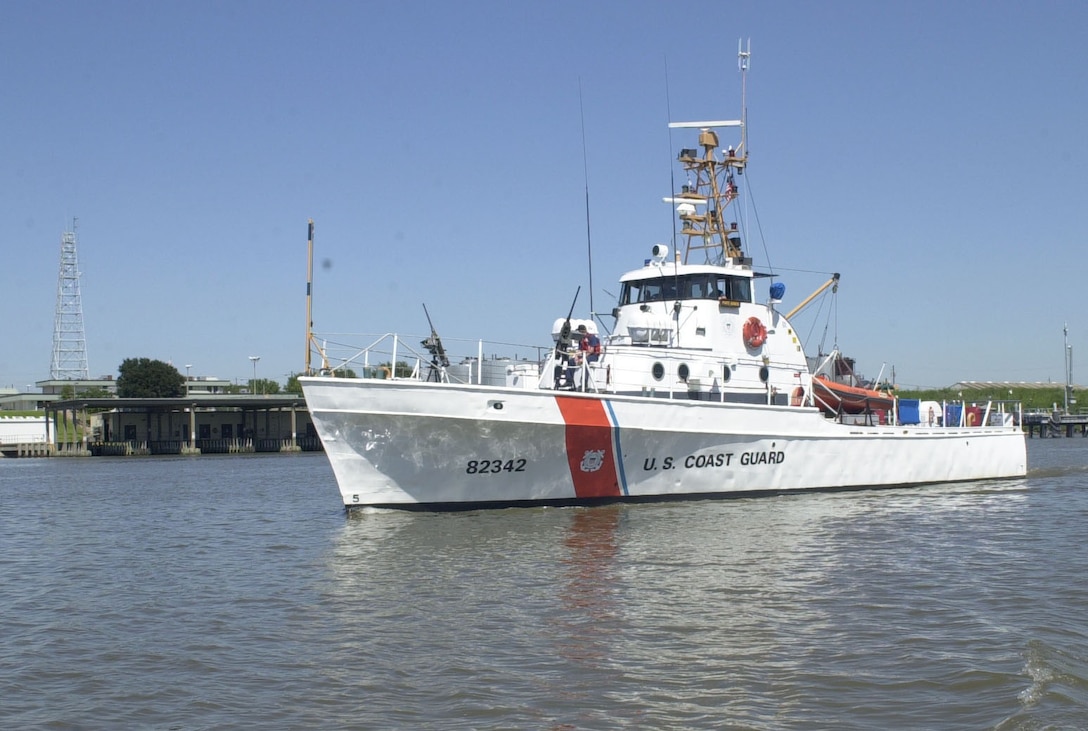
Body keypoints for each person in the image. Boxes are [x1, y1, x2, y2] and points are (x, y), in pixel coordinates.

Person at [576, 324, 602, 390]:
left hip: (593, 356)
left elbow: (591, 350)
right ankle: (569, 380)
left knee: (586, 362)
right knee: (571, 361)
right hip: (584, 355)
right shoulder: (581, 339)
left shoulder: (592, 338)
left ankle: (584, 382)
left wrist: (582, 359)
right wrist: (576, 357)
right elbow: (579, 349)